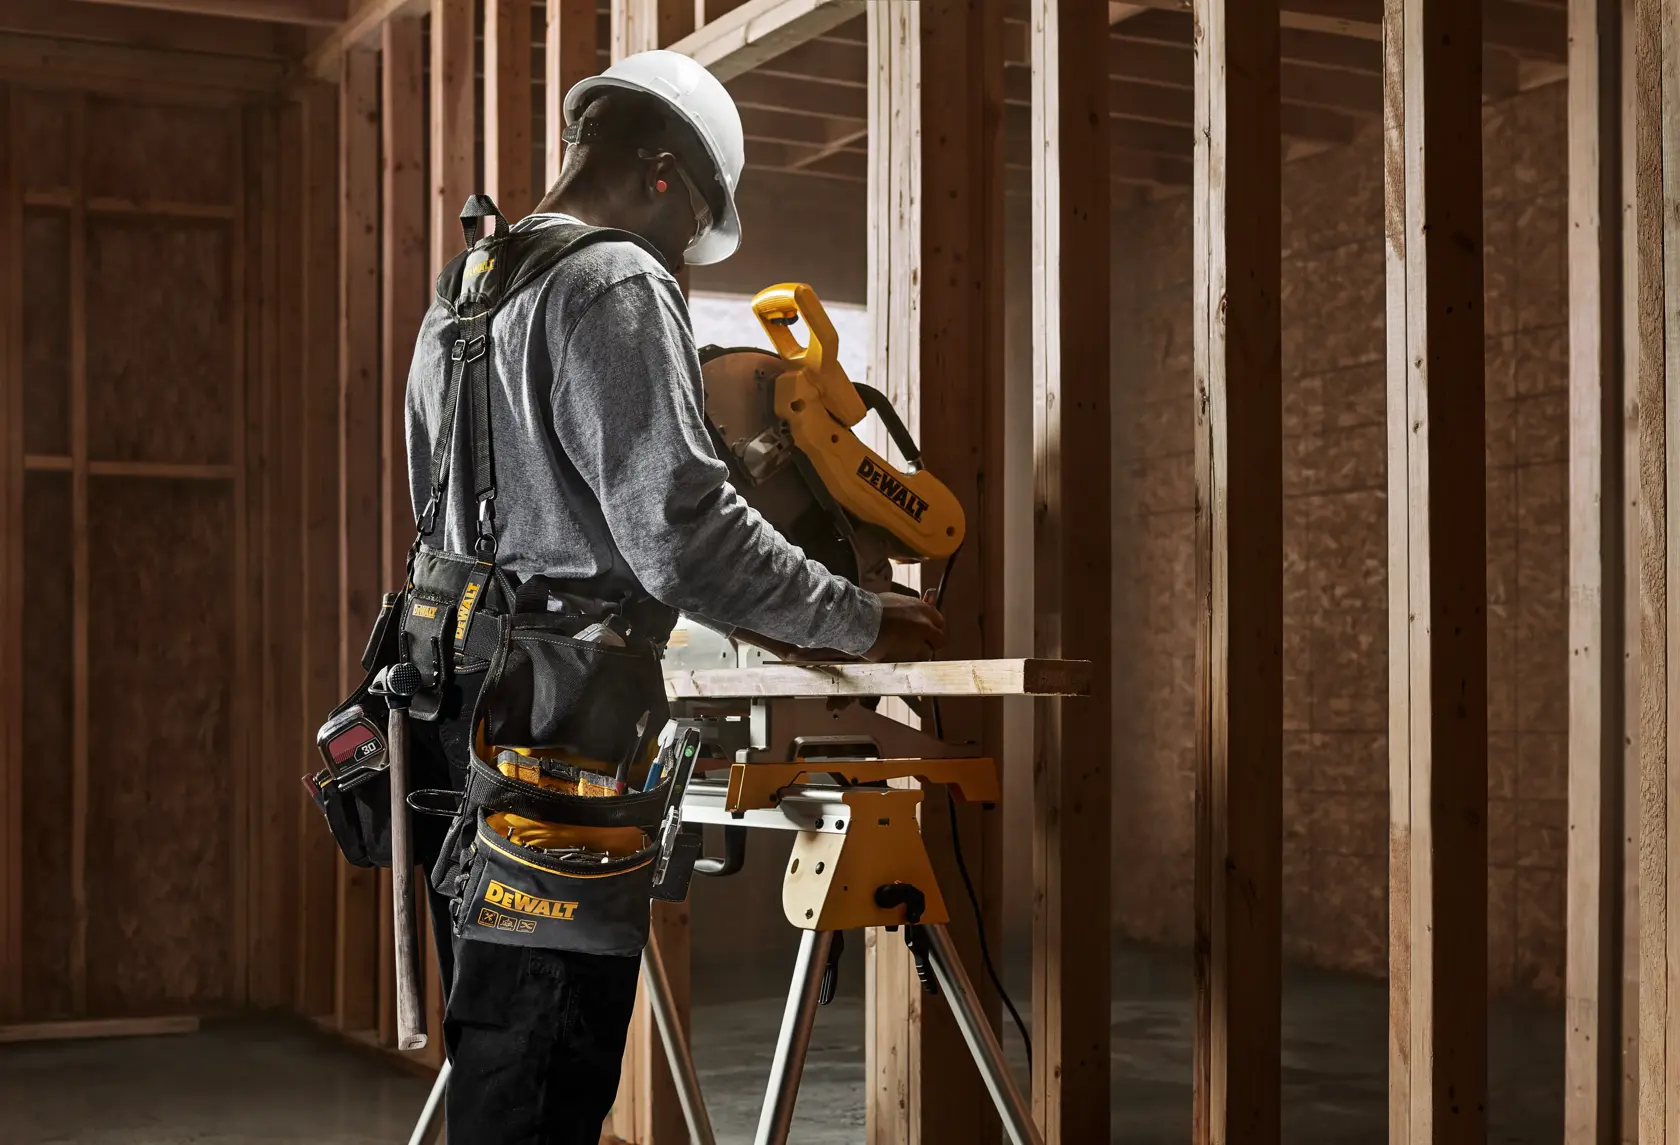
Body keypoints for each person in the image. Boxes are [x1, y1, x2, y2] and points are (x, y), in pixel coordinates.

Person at [403, 49, 946, 1144]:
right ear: (663, 176)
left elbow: (468, 525)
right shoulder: (612, 279)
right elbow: (680, 533)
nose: (686, 257)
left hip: (459, 715)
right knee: (544, 1079)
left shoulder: (464, 296)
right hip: (564, 735)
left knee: (500, 1063)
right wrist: (857, 613)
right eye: (695, 226)